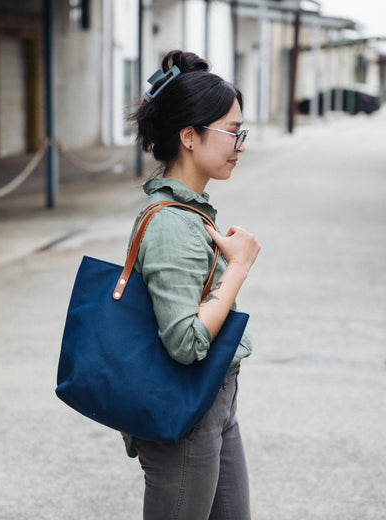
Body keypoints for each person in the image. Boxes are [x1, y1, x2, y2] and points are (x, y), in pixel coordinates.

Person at [124, 50, 261, 520]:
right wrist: (238, 267)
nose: (239, 144)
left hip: (214, 400)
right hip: (186, 412)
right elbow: (185, 341)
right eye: (231, 131)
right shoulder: (173, 224)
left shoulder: (192, 213)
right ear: (189, 136)